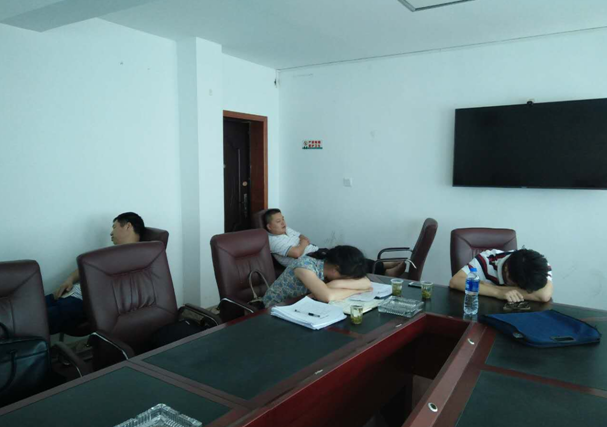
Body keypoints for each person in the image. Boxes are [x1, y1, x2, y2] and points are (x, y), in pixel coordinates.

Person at [45, 212, 145, 335]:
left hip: (82, 303)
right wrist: (69, 280)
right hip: (71, 293)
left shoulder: (139, 257)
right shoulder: (112, 253)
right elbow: (86, 266)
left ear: (128, 226)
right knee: (30, 306)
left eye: (114, 227)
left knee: (31, 322)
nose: (111, 233)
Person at [263, 209, 406, 276]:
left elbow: (304, 237)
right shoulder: (272, 240)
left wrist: (303, 243)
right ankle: (384, 271)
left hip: (316, 252)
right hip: (309, 261)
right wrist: (303, 244)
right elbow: (296, 253)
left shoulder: (286, 229)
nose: (283, 223)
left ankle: (383, 265)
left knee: (347, 254)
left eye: (283, 219)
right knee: (345, 261)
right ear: (269, 226)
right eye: (278, 221)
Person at [262, 245, 373, 307]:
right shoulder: (305, 267)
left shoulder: (327, 265)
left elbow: (366, 282)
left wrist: (335, 284)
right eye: (346, 279)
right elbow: (327, 296)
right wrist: (357, 290)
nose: (348, 281)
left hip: (302, 305)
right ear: (335, 269)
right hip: (276, 309)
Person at [448, 248, 553, 303]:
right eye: (517, 285)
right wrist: (498, 293)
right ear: (507, 271)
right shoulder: (487, 260)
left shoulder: (538, 265)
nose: (519, 289)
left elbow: (544, 295)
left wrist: (489, 287)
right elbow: (456, 281)